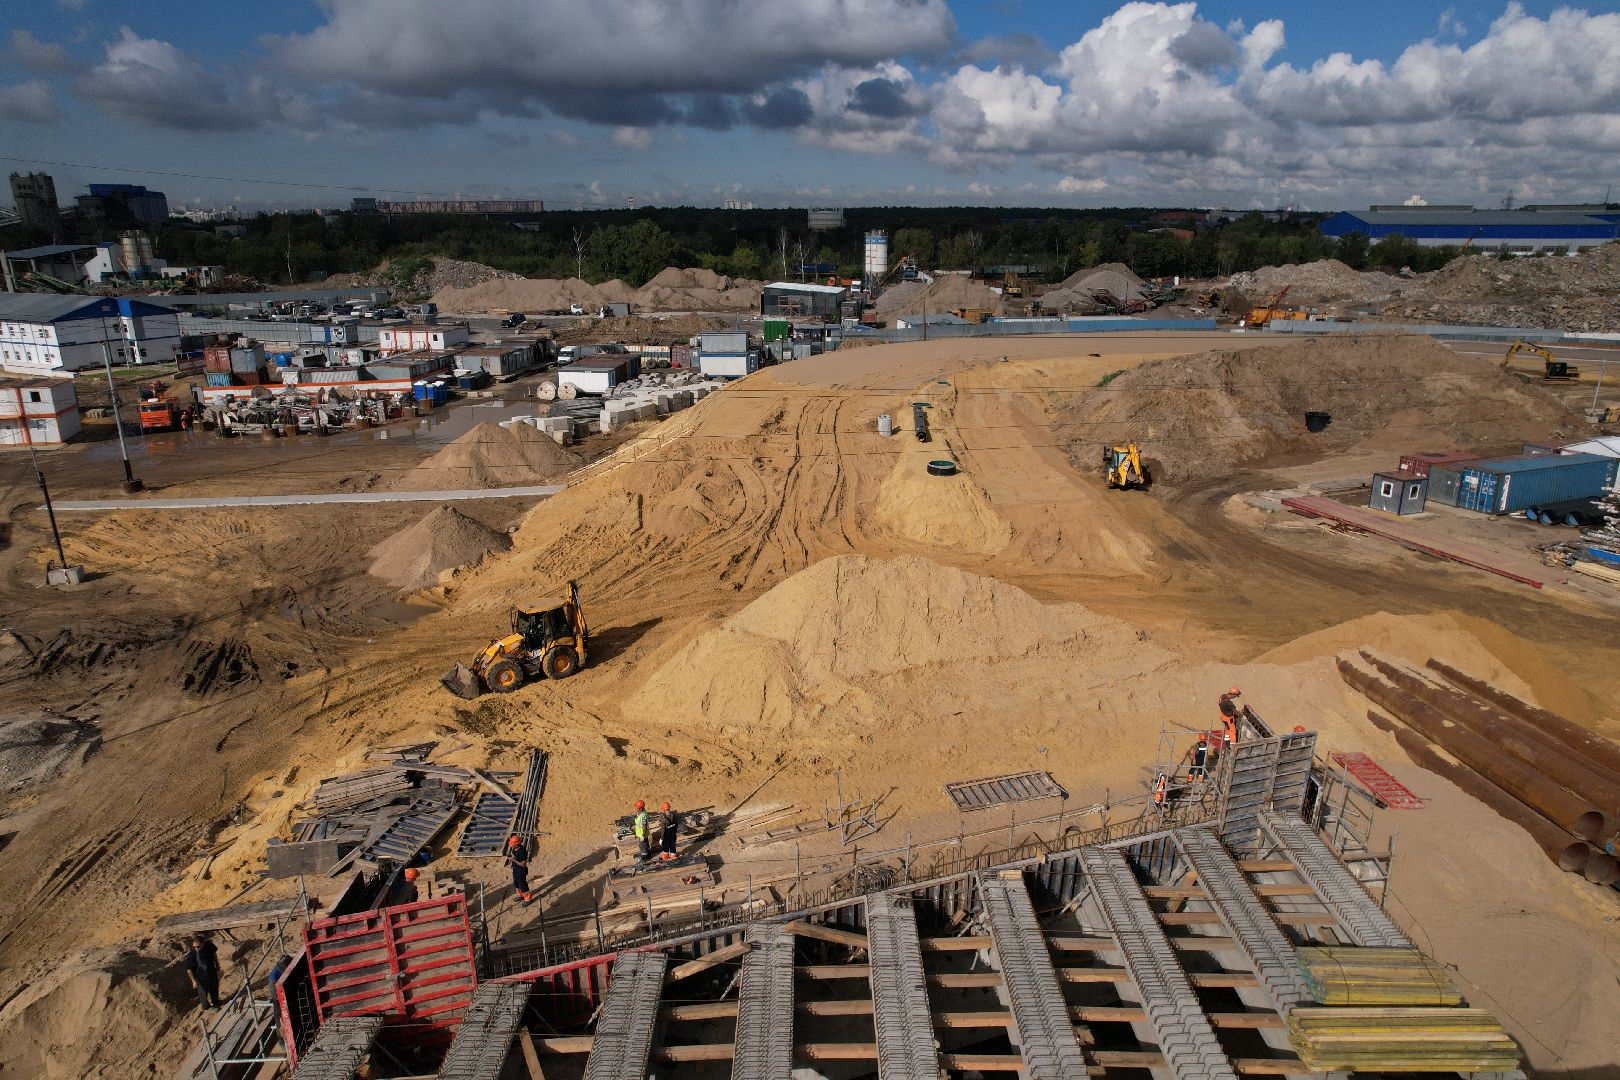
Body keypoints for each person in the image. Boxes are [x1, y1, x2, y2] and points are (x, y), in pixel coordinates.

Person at [183, 934, 222, 1011]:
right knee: (203, 993)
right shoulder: (192, 955)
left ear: (203, 943)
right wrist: (193, 981)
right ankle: (206, 1008)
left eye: (198, 946)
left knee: (214, 988)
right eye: (194, 947)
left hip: (211, 971)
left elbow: (214, 954)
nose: (196, 948)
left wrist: (217, 964)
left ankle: (215, 1003)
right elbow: (189, 969)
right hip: (200, 977)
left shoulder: (209, 945)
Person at [505, 835, 533, 904]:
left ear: (517, 845)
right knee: (516, 883)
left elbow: (523, 865)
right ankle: (521, 895)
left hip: (521, 870)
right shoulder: (514, 849)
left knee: (522, 883)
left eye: (512, 845)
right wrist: (511, 860)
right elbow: (514, 856)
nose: (511, 846)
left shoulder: (522, 851)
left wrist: (514, 861)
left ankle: (528, 899)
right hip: (515, 869)